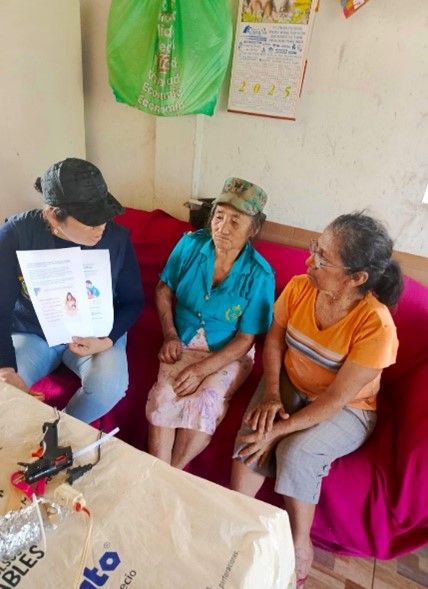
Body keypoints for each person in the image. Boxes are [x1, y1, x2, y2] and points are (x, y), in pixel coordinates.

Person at [231, 212, 403, 588]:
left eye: (323, 257)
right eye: (315, 248)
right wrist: (271, 394)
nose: (310, 260)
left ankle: (299, 542)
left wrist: (280, 432)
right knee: (254, 431)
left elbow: (338, 398)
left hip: (347, 408)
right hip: (291, 381)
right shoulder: (299, 287)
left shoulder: (376, 325)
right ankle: (236, 521)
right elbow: (274, 342)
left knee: (297, 451)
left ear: (356, 278)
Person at [0, 158, 144, 423]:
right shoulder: (16, 235)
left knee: (109, 386)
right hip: (33, 332)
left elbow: (134, 300)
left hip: (95, 332)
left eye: (104, 216)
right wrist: (5, 368)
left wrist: (107, 339)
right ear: (53, 215)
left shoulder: (116, 237)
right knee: (4, 392)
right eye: (90, 221)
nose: (101, 227)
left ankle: (61, 430)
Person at [146, 177, 275, 468]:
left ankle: (173, 474)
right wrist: (170, 335)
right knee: (164, 395)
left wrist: (201, 370)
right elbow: (164, 289)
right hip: (181, 340)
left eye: (235, 221)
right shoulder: (191, 245)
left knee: (206, 399)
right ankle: (157, 474)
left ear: (253, 229)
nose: (222, 227)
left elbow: (246, 339)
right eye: (219, 216)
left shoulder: (260, 274)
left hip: (227, 353)